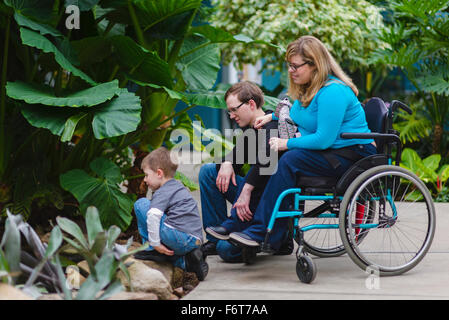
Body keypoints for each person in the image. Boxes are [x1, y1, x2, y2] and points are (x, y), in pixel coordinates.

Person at [226, 35, 377, 251]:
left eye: (296, 66)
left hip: (353, 155)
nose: (291, 70)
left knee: (289, 159)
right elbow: (298, 115)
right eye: (289, 65)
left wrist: (286, 143)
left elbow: (323, 139)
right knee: (280, 153)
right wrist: (272, 118)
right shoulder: (309, 89)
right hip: (335, 152)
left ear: (315, 65)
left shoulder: (333, 91)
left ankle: (262, 231)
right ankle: (259, 228)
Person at [199, 81, 292, 262]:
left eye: (234, 110)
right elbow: (236, 155)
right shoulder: (253, 130)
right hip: (254, 200)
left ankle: (278, 237)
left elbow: (267, 163)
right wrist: (227, 163)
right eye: (229, 111)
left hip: (269, 205)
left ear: (250, 104)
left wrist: (245, 190)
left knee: (225, 250)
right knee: (209, 172)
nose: (231, 115)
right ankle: (216, 237)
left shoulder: (272, 126)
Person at [133, 147, 208, 281]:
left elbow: (153, 216)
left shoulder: (163, 191)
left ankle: (152, 249)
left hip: (180, 237)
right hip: (193, 240)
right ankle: (188, 261)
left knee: (142, 204)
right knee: (168, 252)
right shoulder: (177, 187)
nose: (144, 180)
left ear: (159, 173)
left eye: (146, 175)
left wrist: (156, 243)